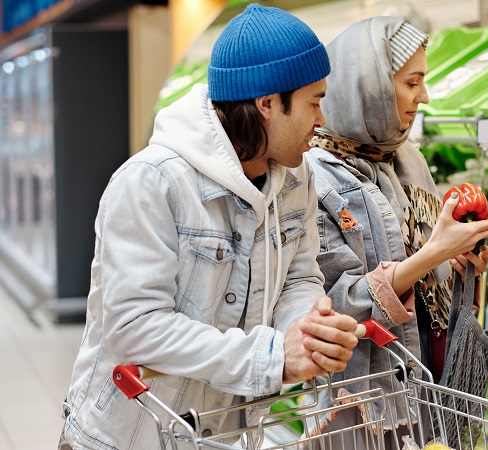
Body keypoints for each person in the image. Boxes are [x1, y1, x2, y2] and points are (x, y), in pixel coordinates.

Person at [58, 5, 359, 449]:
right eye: (314, 101)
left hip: (225, 433)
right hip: (130, 436)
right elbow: (136, 326)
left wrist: (307, 331)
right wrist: (273, 357)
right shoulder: (151, 183)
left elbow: (299, 275)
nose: (322, 120)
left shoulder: (298, 176)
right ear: (268, 104)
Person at [303, 16, 488, 447]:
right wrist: (433, 254)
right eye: (411, 83)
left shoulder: (406, 158)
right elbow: (335, 305)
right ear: (366, 86)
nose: (424, 97)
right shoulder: (313, 178)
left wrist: (461, 258)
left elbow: (433, 274)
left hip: (428, 375)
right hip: (363, 396)